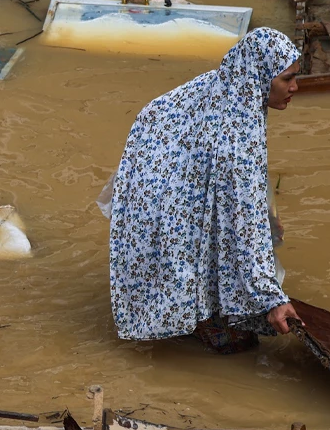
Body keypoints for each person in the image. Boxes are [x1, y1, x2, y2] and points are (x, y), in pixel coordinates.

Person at [106, 28, 302, 354]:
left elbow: (244, 194)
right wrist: (272, 300)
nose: (295, 88)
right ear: (259, 76)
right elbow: (243, 218)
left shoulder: (222, 83)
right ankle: (199, 322)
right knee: (238, 345)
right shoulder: (237, 132)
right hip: (171, 206)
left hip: (150, 194)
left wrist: (268, 219)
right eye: (287, 79)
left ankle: (192, 315)